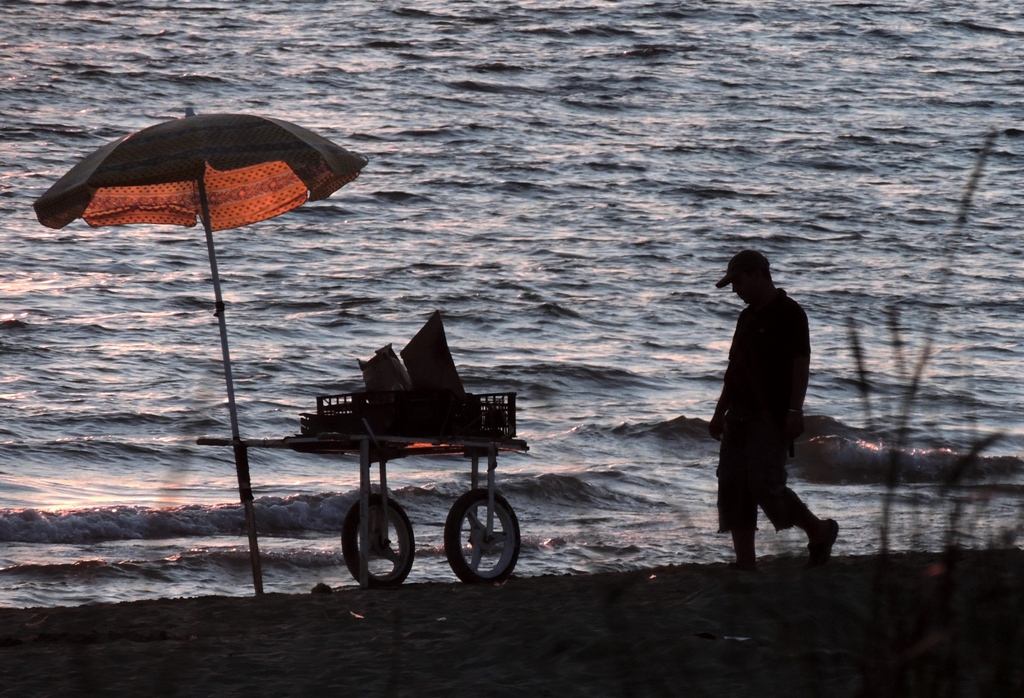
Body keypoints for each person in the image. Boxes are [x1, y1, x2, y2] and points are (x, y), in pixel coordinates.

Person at [708, 249, 838, 571]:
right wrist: (718, 412)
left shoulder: (791, 314)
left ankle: (820, 531)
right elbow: (733, 370)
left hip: (772, 415)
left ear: (757, 274)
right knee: (732, 483)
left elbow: (800, 365)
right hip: (738, 414)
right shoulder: (746, 317)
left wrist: (795, 410)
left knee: (766, 485)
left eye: (737, 282)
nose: (735, 291)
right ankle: (745, 562)